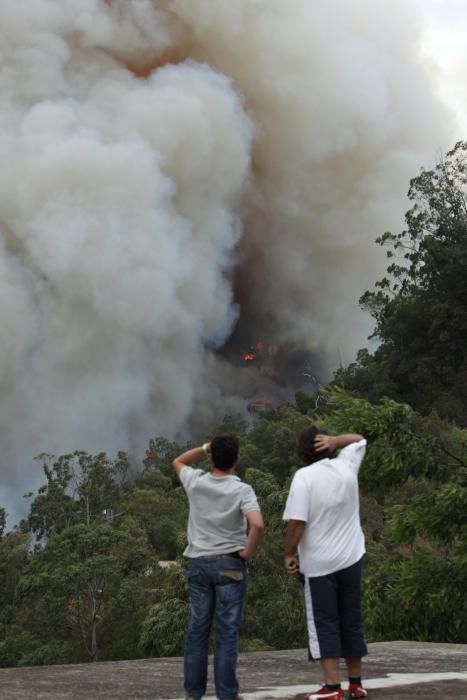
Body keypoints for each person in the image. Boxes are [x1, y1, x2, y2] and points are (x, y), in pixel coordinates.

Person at [173, 435, 264, 700]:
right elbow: (257, 524)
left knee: (197, 632)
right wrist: (247, 552)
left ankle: (194, 694)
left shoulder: (196, 482)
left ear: (212, 457)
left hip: (200, 564)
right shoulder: (242, 490)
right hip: (231, 565)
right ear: (237, 458)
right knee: (226, 634)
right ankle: (227, 694)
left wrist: (203, 447)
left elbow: (178, 461)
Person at [283, 426, 368, 700]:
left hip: (320, 565)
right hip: (352, 557)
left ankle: (332, 688)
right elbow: (359, 439)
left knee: (325, 623)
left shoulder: (303, 477)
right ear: (327, 447)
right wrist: (335, 441)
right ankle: (356, 684)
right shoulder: (347, 464)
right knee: (351, 619)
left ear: (302, 452)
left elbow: (297, 521)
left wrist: (288, 553)